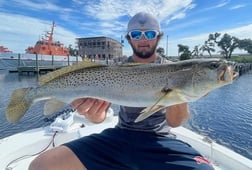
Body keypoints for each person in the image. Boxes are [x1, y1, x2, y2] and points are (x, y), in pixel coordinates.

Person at [29, 12, 213, 170]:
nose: (142, 39)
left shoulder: (175, 70)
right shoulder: (114, 68)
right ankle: (30, 95)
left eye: (149, 33)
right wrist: (91, 113)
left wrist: (180, 92)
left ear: (158, 36)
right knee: (40, 165)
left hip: (160, 140)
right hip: (120, 136)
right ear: (128, 38)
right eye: (136, 34)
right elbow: (98, 118)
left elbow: (175, 122)